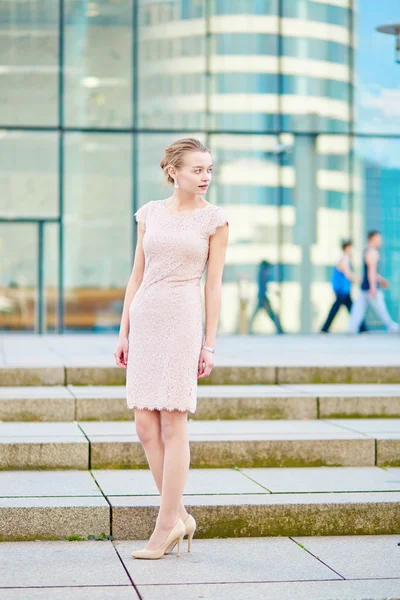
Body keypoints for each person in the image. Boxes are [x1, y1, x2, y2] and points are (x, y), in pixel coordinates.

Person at [114, 138, 229, 559]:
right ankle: (179, 514)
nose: (205, 177)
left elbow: (213, 285)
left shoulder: (215, 220)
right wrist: (123, 331)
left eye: (210, 170)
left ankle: (165, 526)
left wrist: (210, 344)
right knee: (145, 425)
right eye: (198, 169)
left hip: (183, 318)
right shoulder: (149, 214)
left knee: (172, 421)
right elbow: (135, 275)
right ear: (173, 171)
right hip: (145, 318)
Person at [348, 231, 399, 333]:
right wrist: (373, 287)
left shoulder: (367, 251)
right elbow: (371, 271)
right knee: (380, 309)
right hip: (370, 287)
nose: (380, 241)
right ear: (371, 239)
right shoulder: (373, 252)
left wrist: (381, 280)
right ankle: (392, 326)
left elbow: (372, 271)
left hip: (365, 287)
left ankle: (352, 329)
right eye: (378, 239)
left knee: (358, 309)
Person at [321, 240, 368, 333]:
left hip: (344, 290)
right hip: (342, 290)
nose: (352, 250)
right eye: (350, 247)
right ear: (346, 248)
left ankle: (362, 328)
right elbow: (347, 274)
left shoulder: (345, 259)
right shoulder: (343, 259)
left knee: (350, 309)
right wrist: (359, 280)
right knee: (346, 309)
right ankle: (363, 328)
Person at [249, 260, 283, 334]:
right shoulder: (263, 274)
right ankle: (279, 329)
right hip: (263, 298)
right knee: (271, 314)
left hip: (262, 297)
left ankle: (248, 328)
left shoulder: (261, 273)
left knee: (267, 314)